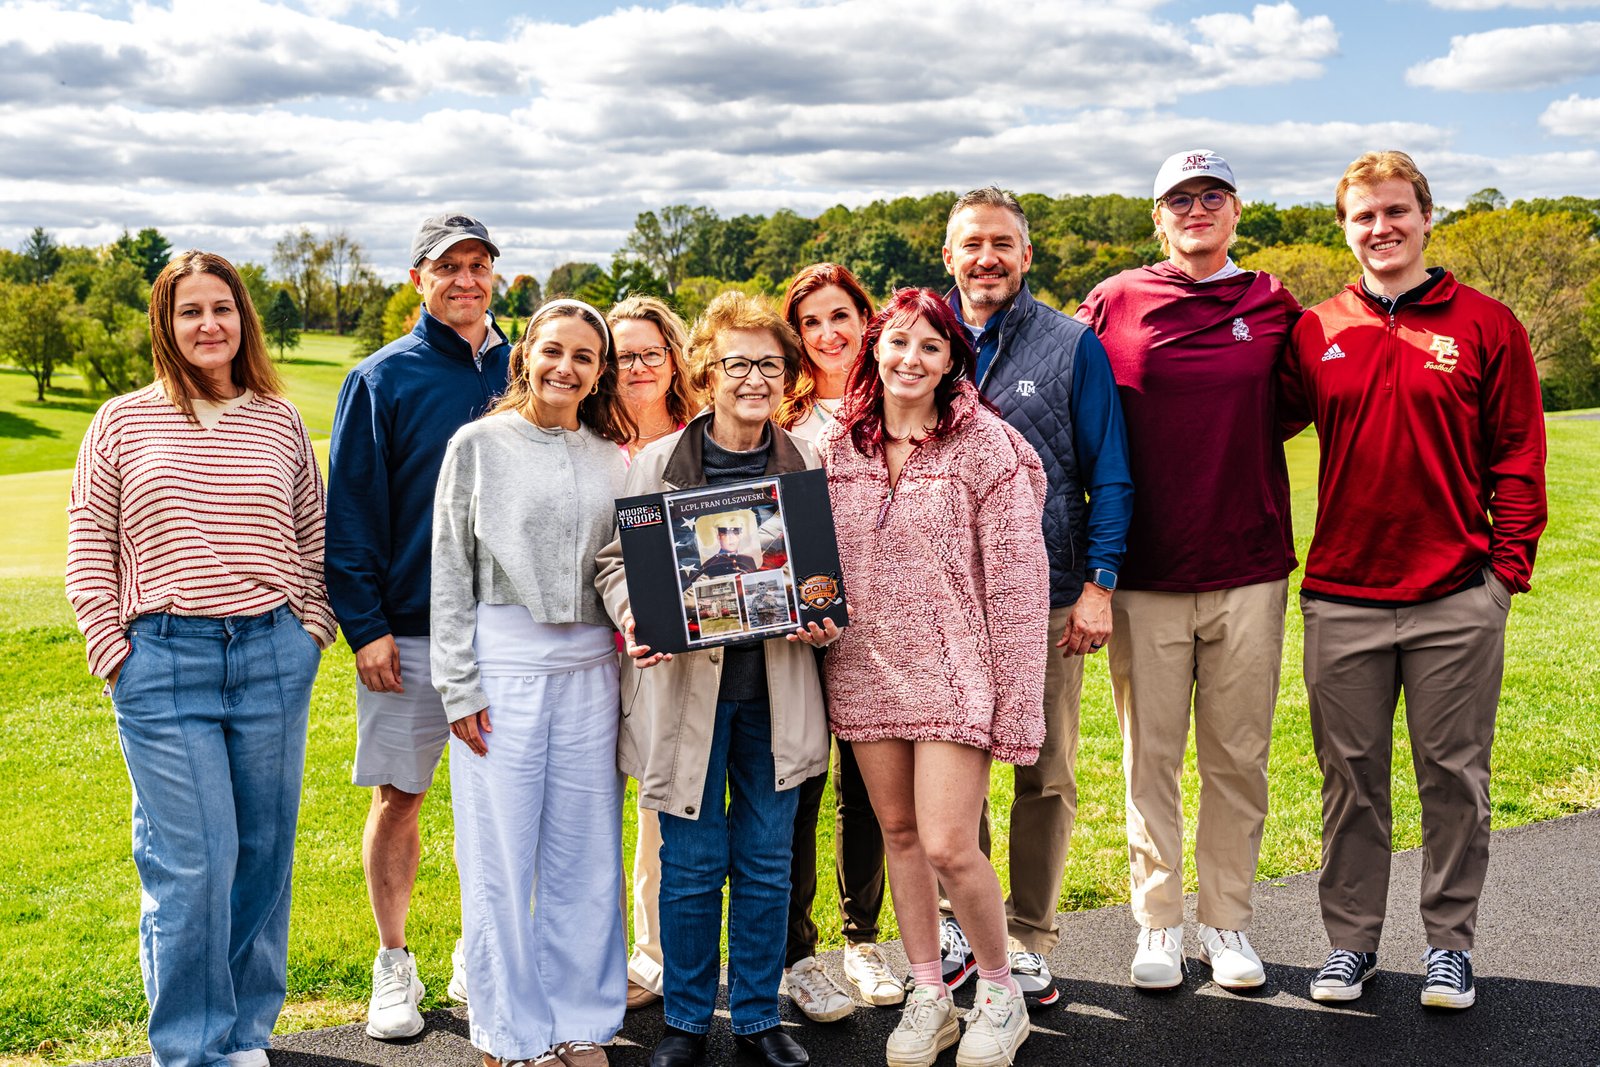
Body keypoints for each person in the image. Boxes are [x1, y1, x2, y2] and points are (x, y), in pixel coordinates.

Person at [1280, 151, 1547, 1010]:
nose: (1381, 228)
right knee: (1350, 782)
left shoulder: (1486, 324)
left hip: (1455, 595)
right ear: (1344, 228)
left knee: (1454, 778)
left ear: (1428, 217)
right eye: (1363, 216)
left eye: (1396, 211)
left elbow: (1519, 455)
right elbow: (1243, 423)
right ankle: (1351, 944)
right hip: (1343, 596)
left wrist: (1503, 574)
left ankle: (1449, 946)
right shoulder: (1315, 329)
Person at [66, 250, 335, 1067]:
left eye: (222, 308)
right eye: (190, 311)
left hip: (271, 656)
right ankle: (189, 1047)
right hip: (163, 662)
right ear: (166, 325)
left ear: (242, 320)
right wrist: (114, 650)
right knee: (193, 861)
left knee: (262, 853)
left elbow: (312, 533)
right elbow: (88, 546)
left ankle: (245, 1034)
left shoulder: (279, 420)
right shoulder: (120, 421)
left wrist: (311, 627)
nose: (208, 324)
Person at [1074, 150, 1302, 991]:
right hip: (1144, 570)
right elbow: (1076, 409)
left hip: (1247, 563)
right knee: (1152, 756)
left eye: (1212, 195)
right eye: (1180, 198)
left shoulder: (1274, 301)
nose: (1196, 208)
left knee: (1238, 755)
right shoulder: (1115, 299)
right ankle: (1159, 921)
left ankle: (1229, 923)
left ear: (1237, 209)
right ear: (1158, 216)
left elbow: (1294, 407)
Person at [596, 291, 835, 1067]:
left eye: (769, 363)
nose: (754, 378)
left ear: (787, 374)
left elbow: (830, 574)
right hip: (685, 699)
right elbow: (612, 562)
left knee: (767, 860)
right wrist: (637, 613)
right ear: (706, 370)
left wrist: (824, 611)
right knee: (692, 864)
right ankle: (689, 1020)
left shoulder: (804, 463)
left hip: (779, 693)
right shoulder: (658, 462)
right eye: (737, 363)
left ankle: (760, 1016)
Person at [822, 287, 1049, 1067]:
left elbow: (1020, 590)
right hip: (865, 668)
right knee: (900, 835)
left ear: (952, 359)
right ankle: (928, 992)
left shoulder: (986, 447)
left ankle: (997, 991)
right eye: (898, 344)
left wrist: (1017, 706)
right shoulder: (839, 449)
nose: (910, 360)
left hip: (957, 674)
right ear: (874, 350)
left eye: (929, 346)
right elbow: (814, 569)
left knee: (952, 842)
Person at [940, 187, 1133, 1006]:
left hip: (1048, 598)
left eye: (1002, 244)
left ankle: (1029, 935)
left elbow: (1111, 472)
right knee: (952, 772)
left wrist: (1100, 584)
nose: (987, 257)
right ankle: (961, 927)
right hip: (943, 601)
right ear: (948, 256)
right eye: (971, 243)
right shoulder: (918, 337)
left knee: (1042, 772)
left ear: (1025, 256)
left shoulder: (1071, 344)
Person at [431, 299, 633, 1067]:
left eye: (584, 356)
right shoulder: (477, 444)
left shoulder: (609, 454)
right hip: (502, 664)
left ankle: (580, 1018)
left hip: (589, 667)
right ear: (525, 357)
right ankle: (510, 1033)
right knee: (500, 853)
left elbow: (620, 568)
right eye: (552, 350)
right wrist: (459, 684)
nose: (565, 368)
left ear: (599, 370)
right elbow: (447, 567)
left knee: (585, 853)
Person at [325, 214, 512, 1039]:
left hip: (509, 632)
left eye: (479, 265)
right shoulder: (380, 378)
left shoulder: (528, 365)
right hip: (409, 629)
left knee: (501, 802)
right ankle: (393, 961)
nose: (466, 280)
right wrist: (364, 625)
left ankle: (483, 949)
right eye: (449, 267)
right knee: (402, 795)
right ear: (418, 279)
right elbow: (353, 512)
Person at [776, 264, 898, 1018]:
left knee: (869, 792)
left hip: (879, 629)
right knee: (796, 789)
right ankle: (797, 951)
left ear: (865, 319)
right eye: (811, 322)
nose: (828, 334)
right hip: (795, 633)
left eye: (840, 316)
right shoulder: (779, 422)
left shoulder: (891, 406)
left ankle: (863, 937)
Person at [604, 295, 700, 1012]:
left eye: (649, 352)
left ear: (674, 358)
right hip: (590, 648)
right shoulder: (587, 441)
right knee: (585, 807)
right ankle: (586, 953)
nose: (635, 367)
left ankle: (654, 956)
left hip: (676, 657)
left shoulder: (703, 442)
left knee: (660, 812)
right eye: (620, 354)